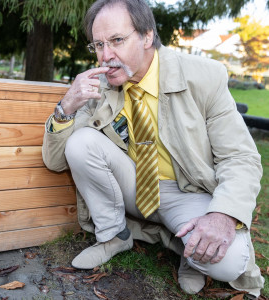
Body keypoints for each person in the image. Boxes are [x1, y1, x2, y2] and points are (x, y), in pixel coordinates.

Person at [41, 0, 265, 297]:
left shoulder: (204, 76)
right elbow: (56, 160)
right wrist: (66, 106)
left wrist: (223, 215)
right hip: (135, 185)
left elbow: (241, 157)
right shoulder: (100, 88)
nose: (106, 56)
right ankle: (113, 236)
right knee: (81, 142)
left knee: (229, 262)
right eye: (98, 45)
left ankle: (190, 252)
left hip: (189, 194)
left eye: (117, 40)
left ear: (147, 36)